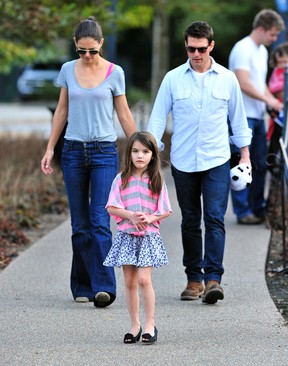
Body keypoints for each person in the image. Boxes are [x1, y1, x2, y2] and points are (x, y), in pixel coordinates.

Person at [147, 21, 252, 304]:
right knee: (191, 221)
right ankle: (193, 279)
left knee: (215, 219)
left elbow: (238, 119)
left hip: (217, 159)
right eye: (191, 48)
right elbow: (157, 119)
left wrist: (245, 155)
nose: (196, 54)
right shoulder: (173, 78)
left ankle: (213, 279)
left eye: (201, 49)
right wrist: (149, 153)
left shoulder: (227, 78)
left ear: (211, 46)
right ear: (186, 46)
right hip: (183, 161)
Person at [41, 16, 136, 307]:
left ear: (101, 44)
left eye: (92, 51)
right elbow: (61, 111)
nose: (87, 56)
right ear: (75, 45)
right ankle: (82, 285)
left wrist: (141, 149)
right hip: (73, 152)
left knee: (99, 221)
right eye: (82, 51)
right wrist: (49, 149)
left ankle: (104, 287)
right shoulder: (68, 70)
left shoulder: (114, 72)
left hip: (104, 153)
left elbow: (123, 114)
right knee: (80, 224)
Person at [103, 131, 172, 344]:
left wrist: (150, 218)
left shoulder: (156, 180)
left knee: (144, 279)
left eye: (145, 151)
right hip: (126, 235)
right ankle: (135, 325)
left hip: (148, 236)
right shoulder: (121, 179)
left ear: (153, 155)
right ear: (129, 153)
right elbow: (111, 206)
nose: (139, 156)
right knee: (130, 281)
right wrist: (131, 216)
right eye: (135, 151)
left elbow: (165, 210)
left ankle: (150, 324)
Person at [228, 9, 285, 225]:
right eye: (272, 34)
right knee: (241, 164)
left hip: (258, 115)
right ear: (261, 29)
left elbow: (260, 84)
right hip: (241, 116)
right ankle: (243, 212)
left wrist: (274, 101)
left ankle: (257, 208)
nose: (274, 39)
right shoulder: (243, 48)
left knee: (260, 163)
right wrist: (269, 100)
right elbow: (242, 82)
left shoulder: (261, 51)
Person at [266, 42, 288, 174]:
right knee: (277, 139)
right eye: (280, 62)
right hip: (279, 114)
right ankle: (274, 166)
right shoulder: (277, 72)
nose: (283, 65)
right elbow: (273, 88)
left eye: (285, 61)